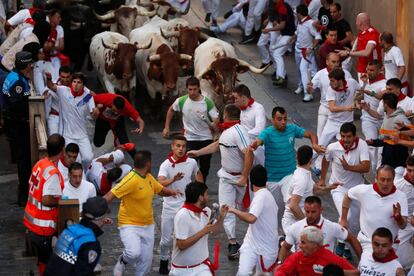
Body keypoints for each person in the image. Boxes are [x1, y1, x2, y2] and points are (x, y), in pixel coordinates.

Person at [188, 104, 253, 259]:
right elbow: (218, 145)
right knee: (226, 209)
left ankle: (257, 240)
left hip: (240, 178)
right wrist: (198, 152)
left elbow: (249, 153)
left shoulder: (239, 130)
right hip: (225, 177)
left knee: (249, 209)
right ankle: (232, 242)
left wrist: (244, 176)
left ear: (226, 114)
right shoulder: (226, 131)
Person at [103, 150, 181, 276]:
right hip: (129, 224)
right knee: (133, 253)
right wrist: (96, 208)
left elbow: (159, 190)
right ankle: (123, 260)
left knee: (146, 262)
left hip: (148, 225)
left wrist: (172, 192)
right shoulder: (131, 179)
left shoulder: (149, 178)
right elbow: (111, 195)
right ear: (148, 164)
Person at [251, 106, 324, 221]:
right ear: (273, 119)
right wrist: (255, 144)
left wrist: (314, 145)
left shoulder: (292, 129)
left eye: (285, 119)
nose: (283, 122)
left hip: (289, 176)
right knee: (274, 211)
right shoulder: (267, 133)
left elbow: (310, 134)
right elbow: (259, 140)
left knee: (292, 205)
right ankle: (281, 235)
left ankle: (304, 226)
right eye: (280, 119)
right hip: (272, 180)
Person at [319, 122, 370, 258]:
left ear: (354, 136)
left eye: (348, 136)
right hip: (338, 188)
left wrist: (349, 168)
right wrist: (322, 179)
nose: (345, 140)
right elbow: (326, 160)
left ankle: (345, 243)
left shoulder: (362, 145)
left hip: (358, 189)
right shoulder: (333, 147)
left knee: (356, 220)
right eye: (343, 136)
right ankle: (342, 242)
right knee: (346, 216)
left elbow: (366, 167)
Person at [157, 135, 204, 274]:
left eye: (183, 146)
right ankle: (163, 259)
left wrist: (201, 189)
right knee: (166, 240)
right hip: (170, 207)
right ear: (172, 146)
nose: (181, 149)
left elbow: (198, 173)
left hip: (186, 207)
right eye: (178, 146)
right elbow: (159, 183)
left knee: (182, 238)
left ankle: (177, 265)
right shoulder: (166, 164)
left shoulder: (192, 162)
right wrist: (173, 179)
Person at [23, 134, 66, 276]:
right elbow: (46, 200)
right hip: (42, 228)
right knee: (46, 262)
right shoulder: (52, 173)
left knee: (43, 259)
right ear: (62, 151)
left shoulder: (40, 164)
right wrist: (61, 201)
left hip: (31, 221)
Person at [340, 165, 408, 252]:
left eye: (389, 180)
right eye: (382, 179)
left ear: (393, 180)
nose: (385, 183)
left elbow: (403, 226)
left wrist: (399, 218)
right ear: (376, 178)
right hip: (366, 242)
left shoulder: (401, 196)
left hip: (388, 246)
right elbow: (347, 196)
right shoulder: (364, 191)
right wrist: (343, 219)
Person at [163, 77, 219, 182]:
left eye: (195, 89)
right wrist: (167, 127)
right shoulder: (182, 100)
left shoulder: (207, 102)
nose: (192, 92)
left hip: (206, 139)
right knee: (187, 165)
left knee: (205, 167)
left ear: (199, 89)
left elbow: (216, 120)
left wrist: (213, 125)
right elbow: (171, 110)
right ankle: (187, 188)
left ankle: (201, 187)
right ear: (187, 89)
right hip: (189, 139)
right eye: (190, 89)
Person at [278, 196, 362, 263]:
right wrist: (280, 264)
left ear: (321, 210)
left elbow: (351, 238)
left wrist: (362, 261)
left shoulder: (332, 227)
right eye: (307, 212)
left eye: (313, 212)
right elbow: (285, 247)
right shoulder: (295, 227)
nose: (310, 215)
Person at [229, 165, 279, 275]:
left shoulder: (261, 196)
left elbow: (251, 218)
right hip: (251, 243)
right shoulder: (263, 195)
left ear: (251, 181)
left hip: (266, 248)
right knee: (242, 273)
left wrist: (232, 210)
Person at [170, 181, 227, 276]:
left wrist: (221, 217)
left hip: (202, 267)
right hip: (183, 270)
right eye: (206, 194)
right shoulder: (182, 215)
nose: (208, 197)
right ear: (200, 198)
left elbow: (214, 231)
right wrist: (203, 232)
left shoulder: (206, 211)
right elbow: (181, 245)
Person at [44, 196, 112, 276]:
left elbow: (81, 238)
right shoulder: (92, 244)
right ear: (101, 218)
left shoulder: (70, 229)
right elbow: (82, 273)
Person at [45, 71, 99, 169]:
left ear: (83, 85)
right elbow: (51, 86)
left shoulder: (87, 96)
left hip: (82, 135)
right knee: (73, 159)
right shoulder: (63, 91)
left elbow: (93, 114)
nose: (76, 85)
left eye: (79, 82)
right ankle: (70, 176)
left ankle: (84, 173)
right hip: (67, 135)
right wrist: (49, 78)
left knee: (88, 158)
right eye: (74, 82)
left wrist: (95, 112)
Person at [1, 51, 33, 206]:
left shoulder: (12, 75)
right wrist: (31, 103)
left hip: (13, 123)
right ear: (26, 65)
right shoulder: (18, 82)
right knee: (23, 161)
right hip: (18, 125)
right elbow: (15, 104)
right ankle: (23, 197)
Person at [274, 226, 359, 275]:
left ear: (315, 245)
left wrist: (340, 272)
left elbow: (356, 273)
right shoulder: (298, 256)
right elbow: (281, 271)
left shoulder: (332, 259)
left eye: (303, 243)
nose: (299, 245)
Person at [307, 52, 352, 141]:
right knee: (321, 138)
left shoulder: (346, 74)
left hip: (340, 111)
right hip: (325, 108)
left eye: (338, 62)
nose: (336, 64)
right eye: (333, 62)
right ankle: (320, 154)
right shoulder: (320, 74)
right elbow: (310, 90)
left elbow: (352, 89)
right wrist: (309, 88)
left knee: (342, 139)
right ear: (327, 62)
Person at [365, 93, 410, 174]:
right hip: (387, 160)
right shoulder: (387, 116)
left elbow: (411, 134)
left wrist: (402, 131)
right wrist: (373, 142)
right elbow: (386, 139)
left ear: (385, 105)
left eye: (382, 104)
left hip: (398, 164)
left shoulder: (400, 118)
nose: (382, 106)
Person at [318, 68, 360, 150]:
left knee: (346, 148)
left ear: (340, 80)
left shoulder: (352, 82)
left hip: (347, 124)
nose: (330, 83)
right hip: (332, 122)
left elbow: (360, 91)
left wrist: (356, 101)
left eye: (332, 81)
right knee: (320, 147)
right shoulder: (330, 90)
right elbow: (332, 108)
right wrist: (347, 108)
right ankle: (314, 162)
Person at [93, 93, 145, 158]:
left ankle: (139, 163)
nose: (116, 113)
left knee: (125, 142)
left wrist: (140, 129)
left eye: (118, 111)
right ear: (112, 104)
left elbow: (140, 121)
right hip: (103, 120)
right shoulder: (104, 98)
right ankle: (115, 143)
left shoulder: (127, 107)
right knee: (98, 143)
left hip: (117, 122)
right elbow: (89, 98)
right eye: (114, 110)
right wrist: (95, 107)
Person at [258, 0, 296, 87]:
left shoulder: (282, 8)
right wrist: (269, 20)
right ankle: (281, 76)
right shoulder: (280, 5)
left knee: (277, 54)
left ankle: (281, 77)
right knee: (276, 53)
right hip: (285, 35)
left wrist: (268, 30)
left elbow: (282, 26)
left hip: (287, 36)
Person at [337, 12, 382, 83]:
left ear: (360, 23)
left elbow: (367, 52)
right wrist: (351, 51)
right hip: (362, 70)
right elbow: (361, 50)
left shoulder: (373, 34)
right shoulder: (362, 33)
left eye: (356, 21)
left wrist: (348, 53)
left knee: (369, 92)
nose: (356, 23)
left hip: (371, 72)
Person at [359, 60, 386, 173]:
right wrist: (364, 84)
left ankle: (378, 172)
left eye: (372, 70)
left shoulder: (385, 83)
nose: (369, 72)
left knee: (381, 150)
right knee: (371, 147)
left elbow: (382, 96)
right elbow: (359, 97)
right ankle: (375, 173)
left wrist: (369, 92)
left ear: (380, 70)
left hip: (382, 119)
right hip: (368, 119)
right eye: (367, 70)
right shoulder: (366, 82)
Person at [281, 145, 315, 233]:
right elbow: (293, 206)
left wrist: (329, 188)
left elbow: (314, 190)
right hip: (293, 224)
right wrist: (307, 224)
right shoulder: (301, 178)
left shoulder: (306, 174)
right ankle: (281, 242)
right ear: (311, 160)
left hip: (299, 221)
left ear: (297, 157)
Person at [293, 4, 321, 102]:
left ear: (299, 14)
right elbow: (298, 32)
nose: (295, 14)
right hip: (297, 50)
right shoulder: (299, 22)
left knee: (303, 70)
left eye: (296, 13)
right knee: (298, 70)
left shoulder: (310, 23)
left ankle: (308, 93)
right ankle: (300, 86)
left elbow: (317, 37)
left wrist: (311, 48)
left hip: (306, 52)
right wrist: (293, 39)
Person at [232, 84, 266, 165]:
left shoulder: (258, 108)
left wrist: (241, 135)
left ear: (243, 98)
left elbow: (259, 130)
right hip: (244, 146)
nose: (234, 101)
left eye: (236, 98)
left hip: (257, 149)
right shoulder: (242, 108)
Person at [394, 157, 414, 270]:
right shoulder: (398, 185)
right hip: (403, 226)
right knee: (401, 263)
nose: (412, 174)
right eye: (409, 170)